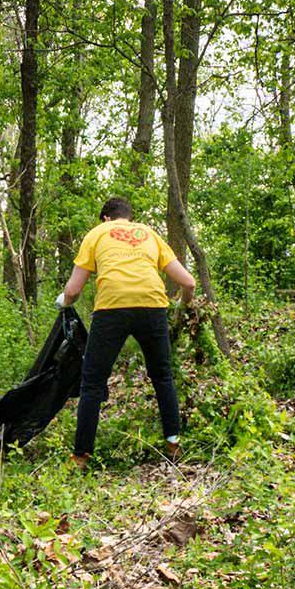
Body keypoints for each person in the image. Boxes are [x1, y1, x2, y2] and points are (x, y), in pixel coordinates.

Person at [57, 197, 198, 468]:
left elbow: (74, 291)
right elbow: (188, 282)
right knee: (162, 376)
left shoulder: (97, 234)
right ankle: (173, 445)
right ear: (129, 218)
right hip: (153, 306)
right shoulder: (150, 234)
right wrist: (183, 306)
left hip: (112, 308)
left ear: (106, 219)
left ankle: (80, 457)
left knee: (93, 382)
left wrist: (63, 302)